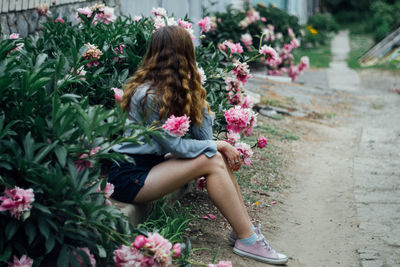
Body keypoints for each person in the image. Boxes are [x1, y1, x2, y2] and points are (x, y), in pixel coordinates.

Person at [109, 25, 288, 265]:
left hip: (150, 168)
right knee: (213, 157)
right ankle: (248, 239)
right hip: (129, 177)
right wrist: (220, 143)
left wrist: (197, 99)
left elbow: (202, 141)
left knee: (217, 156)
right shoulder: (146, 95)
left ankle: (244, 232)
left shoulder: (176, 90)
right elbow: (178, 147)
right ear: (186, 54)